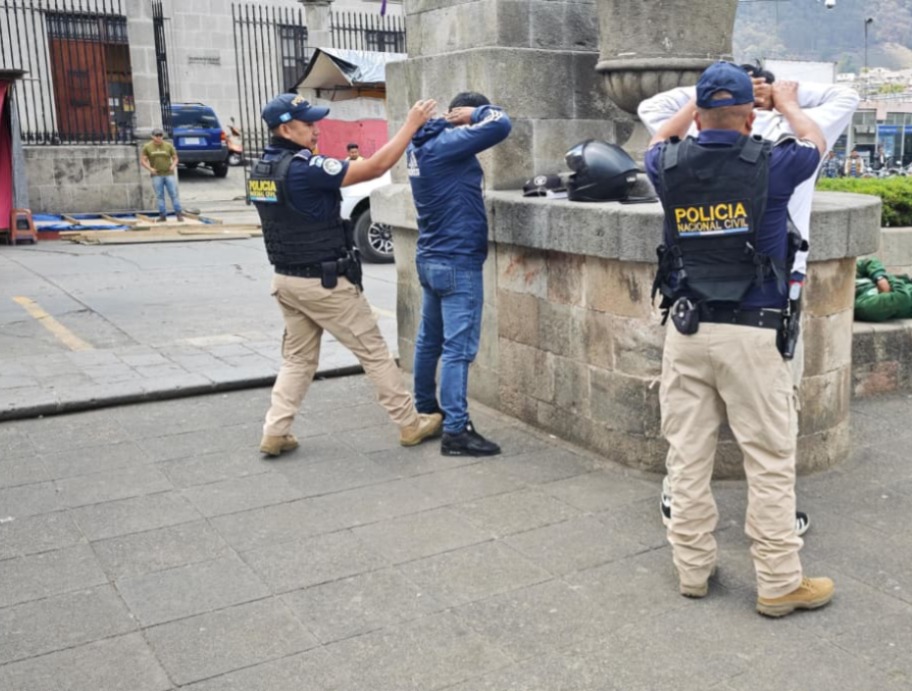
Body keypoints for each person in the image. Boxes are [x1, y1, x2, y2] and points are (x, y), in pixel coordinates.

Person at [645, 61, 834, 617]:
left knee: (687, 457)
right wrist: (787, 103)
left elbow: (658, 138)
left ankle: (692, 571)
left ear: (698, 117)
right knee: (769, 459)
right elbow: (816, 141)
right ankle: (778, 583)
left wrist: (698, 107)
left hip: (686, 331)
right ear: (751, 119)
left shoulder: (666, 164)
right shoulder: (775, 164)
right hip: (753, 333)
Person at [249, 92, 442, 457]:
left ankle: (275, 432)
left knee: (297, 359)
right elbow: (374, 168)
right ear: (285, 129)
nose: (316, 129)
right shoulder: (306, 168)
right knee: (374, 353)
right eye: (308, 124)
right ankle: (410, 424)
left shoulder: (262, 169)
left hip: (286, 280)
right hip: (325, 283)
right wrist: (411, 124)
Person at [406, 92, 512, 456]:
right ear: (462, 117)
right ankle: (456, 430)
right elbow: (501, 123)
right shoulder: (446, 144)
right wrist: (477, 113)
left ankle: (425, 410)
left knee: (429, 340)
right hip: (456, 259)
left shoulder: (418, 145)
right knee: (458, 349)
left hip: (431, 256)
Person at [140, 127, 184, 222]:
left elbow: (175, 158)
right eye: (157, 135)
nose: (159, 137)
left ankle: (179, 214)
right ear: (152, 137)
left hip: (169, 174)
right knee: (160, 196)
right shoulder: (147, 147)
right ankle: (162, 215)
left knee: (173, 194)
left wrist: (173, 166)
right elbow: (143, 161)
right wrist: (150, 169)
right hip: (157, 175)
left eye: (160, 135)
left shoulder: (168, 146)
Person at [855, 257, 912, 321]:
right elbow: (902, 297)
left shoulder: (850, 277)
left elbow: (868, 261)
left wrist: (879, 277)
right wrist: (886, 278)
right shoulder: (863, 306)